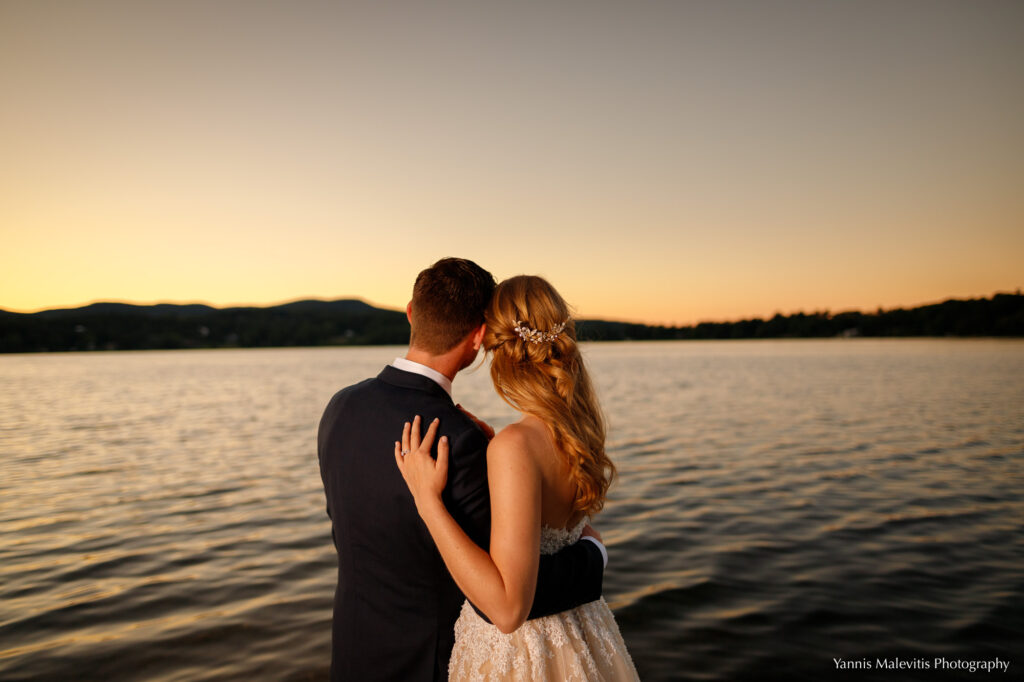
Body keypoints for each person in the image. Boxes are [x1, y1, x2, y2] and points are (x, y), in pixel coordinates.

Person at [317, 259, 607, 682]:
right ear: (479, 338)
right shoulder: (460, 441)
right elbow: (512, 593)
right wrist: (593, 556)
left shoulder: (340, 407)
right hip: (430, 666)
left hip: (353, 656)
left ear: (411, 313)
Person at [395, 274, 639, 681]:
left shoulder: (515, 447)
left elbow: (508, 610)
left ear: (494, 346)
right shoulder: (575, 433)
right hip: (586, 632)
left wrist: (428, 501)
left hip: (524, 656)